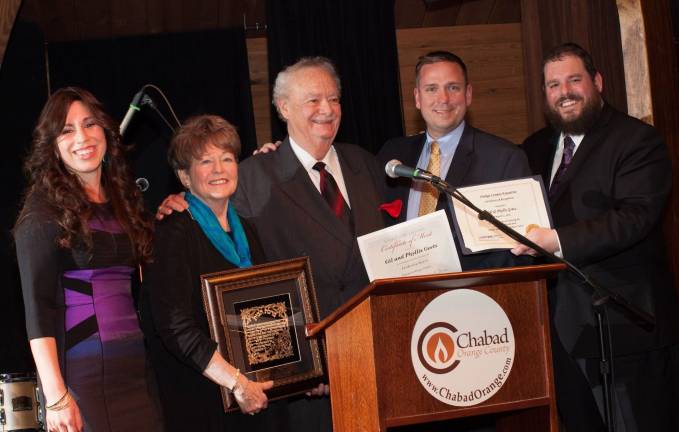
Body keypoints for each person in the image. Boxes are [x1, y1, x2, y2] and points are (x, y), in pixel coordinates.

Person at [157, 56, 386, 431]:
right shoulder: (252, 178)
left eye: (333, 99)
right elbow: (176, 321)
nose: (326, 109)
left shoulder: (366, 164)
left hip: (364, 361)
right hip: (245, 398)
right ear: (283, 108)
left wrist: (301, 369)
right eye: (313, 100)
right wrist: (305, 368)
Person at [513, 42, 679, 431]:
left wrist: (557, 240)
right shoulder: (534, 148)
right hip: (558, 331)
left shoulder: (637, 140)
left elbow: (634, 218)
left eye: (574, 80)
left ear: (597, 82)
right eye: (553, 85)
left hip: (623, 327)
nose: (564, 92)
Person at [14, 87, 162, 431]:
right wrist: (56, 397)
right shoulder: (42, 212)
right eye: (67, 130)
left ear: (105, 131)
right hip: (85, 376)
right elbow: (38, 309)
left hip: (136, 369)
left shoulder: (121, 199)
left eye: (90, 124)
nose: (82, 137)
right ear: (52, 145)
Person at [140, 115, 273, 431]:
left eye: (227, 158)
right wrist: (236, 382)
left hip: (252, 397)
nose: (219, 169)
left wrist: (294, 369)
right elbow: (175, 327)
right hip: (201, 400)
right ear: (185, 177)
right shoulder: (172, 233)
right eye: (205, 161)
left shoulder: (249, 232)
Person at [377, 51, 532, 270]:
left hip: (474, 294)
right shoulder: (392, 154)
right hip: (403, 292)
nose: (443, 99)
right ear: (417, 98)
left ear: (468, 94)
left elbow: (519, 250)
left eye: (453, 87)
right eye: (431, 89)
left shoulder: (504, 158)